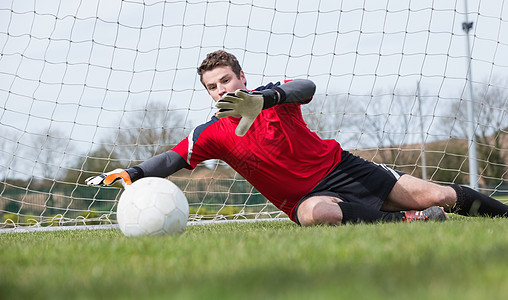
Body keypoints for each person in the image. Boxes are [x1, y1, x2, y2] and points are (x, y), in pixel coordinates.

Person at [86, 50, 508, 226]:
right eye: (213, 87)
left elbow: (306, 86)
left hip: (344, 169)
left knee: (440, 196)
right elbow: (173, 159)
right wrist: (134, 171)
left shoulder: (274, 96)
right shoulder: (211, 135)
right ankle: (407, 224)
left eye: (226, 80)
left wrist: (266, 99)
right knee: (316, 216)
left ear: (241, 77)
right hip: (304, 198)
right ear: (208, 93)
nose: (221, 90)